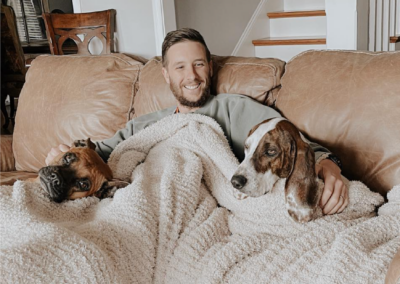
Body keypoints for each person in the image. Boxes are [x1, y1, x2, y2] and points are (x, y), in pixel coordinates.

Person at [46, 28, 348, 215]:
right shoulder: (146, 124)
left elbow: (293, 142)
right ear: (166, 75)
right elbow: (99, 156)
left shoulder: (235, 109)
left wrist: (328, 166)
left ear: (210, 68)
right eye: (180, 67)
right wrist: (59, 157)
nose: (191, 76)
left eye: (198, 64)